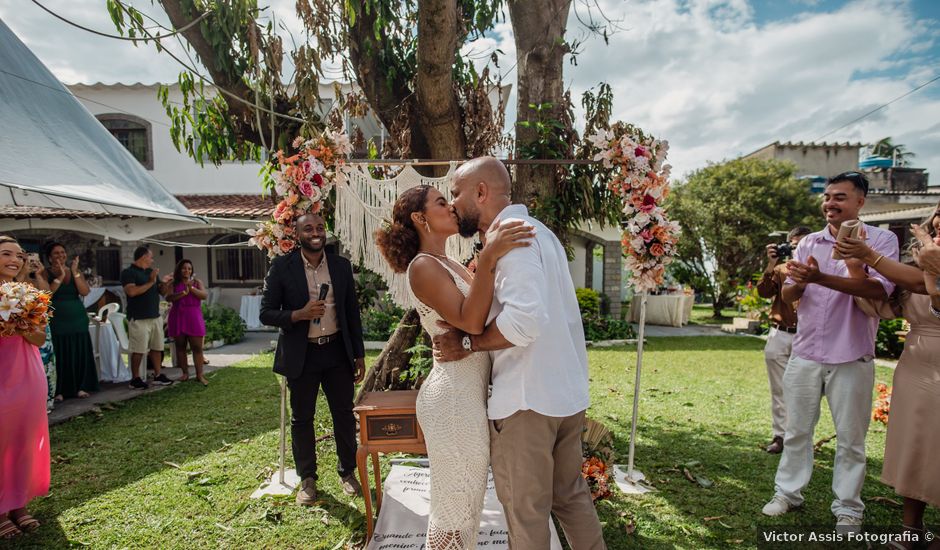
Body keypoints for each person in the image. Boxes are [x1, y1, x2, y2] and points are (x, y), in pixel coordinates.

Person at [434, 157, 607, 549]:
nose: (453, 202)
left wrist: (468, 344)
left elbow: (524, 323)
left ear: (481, 192)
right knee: (570, 497)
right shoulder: (539, 233)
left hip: (528, 402)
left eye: (457, 193)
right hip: (564, 395)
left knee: (526, 512)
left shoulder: (512, 240)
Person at [375, 185, 534, 549]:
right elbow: (472, 322)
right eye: (441, 203)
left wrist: (485, 265)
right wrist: (490, 257)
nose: (450, 208)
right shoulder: (422, 267)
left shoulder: (448, 263)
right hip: (451, 400)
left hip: (467, 395)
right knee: (453, 511)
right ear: (420, 218)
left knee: (468, 508)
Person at [761, 171, 899, 532]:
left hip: (853, 354)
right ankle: (787, 493)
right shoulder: (808, 243)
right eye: (827, 197)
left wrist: (820, 277)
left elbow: (878, 291)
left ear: (860, 202)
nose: (830, 203)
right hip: (805, 352)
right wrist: (798, 282)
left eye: (839, 197)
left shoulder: (881, 241)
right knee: (796, 431)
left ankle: (849, 508)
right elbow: (789, 295)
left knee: (851, 439)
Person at [836, 202, 940, 549]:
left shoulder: (925, 269)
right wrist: (856, 267)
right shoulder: (915, 267)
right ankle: (911, 531)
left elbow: (933, 290)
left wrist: (872, 254)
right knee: (917, 444)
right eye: (938, 219)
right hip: (916, 368)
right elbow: (887, 304)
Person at [260, 213, 367, 505]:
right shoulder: (281, 267)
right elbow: (266, 312)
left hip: (336, 352)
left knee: (344, 415)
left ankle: (348, 473)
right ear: (297, 234)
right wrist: (298, 314)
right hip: (302, 354)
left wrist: (358, 355)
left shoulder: (341, 266)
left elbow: (351, 314)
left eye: (320, 227)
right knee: (301, 419)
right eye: (308, 228)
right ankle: (307, 479)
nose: (316, 232)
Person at [0, 236, 51, 539]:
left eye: (18, 255)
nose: (14, 260)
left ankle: (18, 504)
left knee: (22, 440)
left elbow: (39, 338)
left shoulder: (27, 293)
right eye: (6, 254)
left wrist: (17, 318)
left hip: (27, 374)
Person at [756, 226, 812, 454]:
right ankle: (780, 435)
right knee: (778, 388)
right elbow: (763, 292)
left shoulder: (816, 271)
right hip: (779, 333)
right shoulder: (780, 269)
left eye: (802, 243)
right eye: (793, 244)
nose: (796, 248)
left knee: (805, 388)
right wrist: (770, 264)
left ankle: (801, 436)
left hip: (806, 335)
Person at [45, 242, 99, 400]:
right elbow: (45, 294)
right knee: (60, 353)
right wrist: (60, 278)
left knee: (79, 352)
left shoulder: (74, 271)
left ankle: (80, 386)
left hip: (77, 318)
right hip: (57, 318)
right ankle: (59, 389)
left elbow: (84, 291)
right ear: (49, 257)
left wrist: (75, 272)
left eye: (62, 252)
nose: (60, 256)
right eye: (56, 253)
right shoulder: (44, 273)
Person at [121, 246, 173, 389]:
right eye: (150, 257)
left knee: (157, 347)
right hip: (138, 317)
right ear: (143, 257)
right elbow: (131, 292)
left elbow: (161, 292)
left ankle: (157, 375)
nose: (152, 260)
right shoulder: (128, 273)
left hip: (154, 316)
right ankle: (135, 378)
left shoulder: (151, 272)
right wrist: (150, 282)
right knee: (138, 349)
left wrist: (165, 283)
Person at [15, 253, 56, 412]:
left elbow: (47, 297)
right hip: (23, 331)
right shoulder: (14, 281)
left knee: (46, 365)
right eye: (28, 261)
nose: (32, 264)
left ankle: (46, 400)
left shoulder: (37, 280)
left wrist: (39, 275)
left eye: (35, 261)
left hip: (41, 328)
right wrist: (23, 272)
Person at [166, 259, 209, 386]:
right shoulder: (173, 283)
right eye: (184, 268)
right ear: (179, 269)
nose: (187, 271)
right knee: (180, 346)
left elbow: (204, 295)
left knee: (197, 347)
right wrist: (182, 294)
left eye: (189, 268)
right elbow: (168, 297)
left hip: (193, 316)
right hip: (178, 316)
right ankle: (185, 373)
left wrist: (191, 288)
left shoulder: (196, 282)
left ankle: (199, 375)